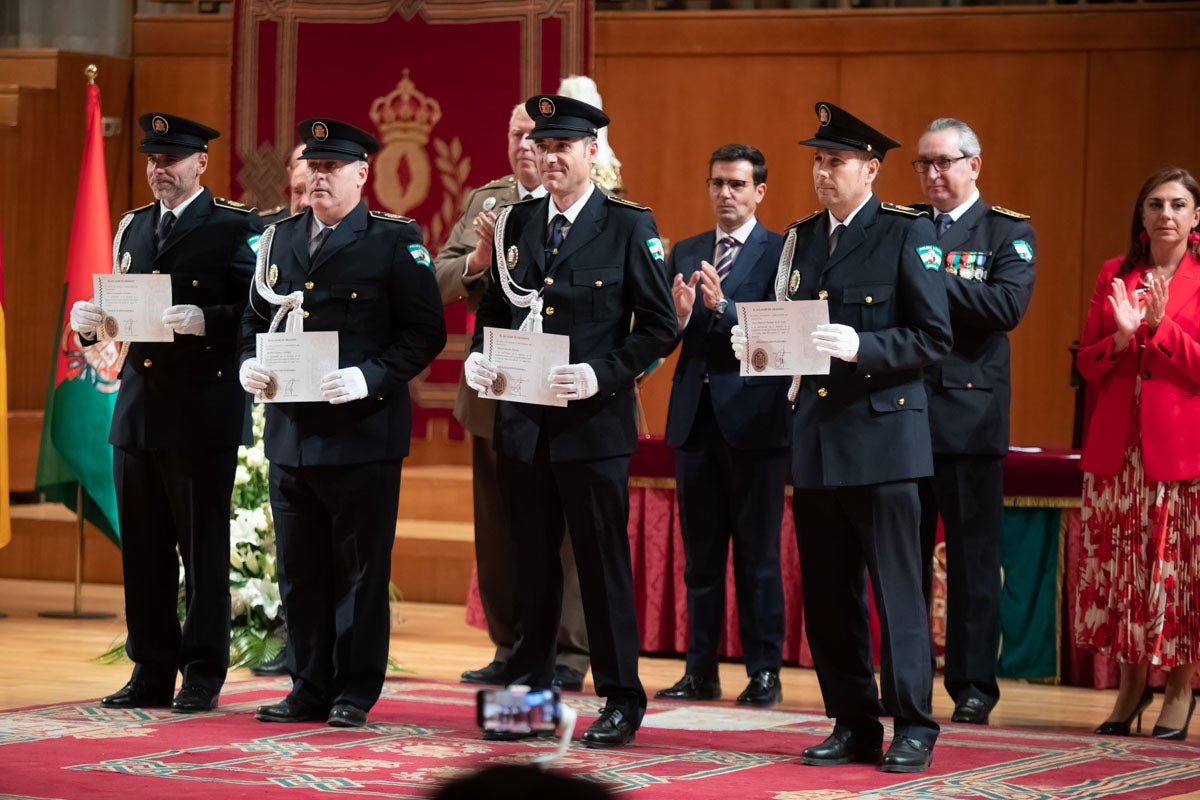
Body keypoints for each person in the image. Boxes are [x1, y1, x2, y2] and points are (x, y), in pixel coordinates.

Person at [733, 102, 951, 772]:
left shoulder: (905, 234)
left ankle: (913, 723)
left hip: (884, 440)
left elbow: (933, 338)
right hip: (819, 439)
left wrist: (864, 344)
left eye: (837, 162)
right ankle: (853, 720)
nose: (824, 173)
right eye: (819, 161)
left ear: (872, 169)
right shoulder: (800, 240)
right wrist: (760, 344)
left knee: (897, 593)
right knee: (830, 596)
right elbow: (790, 326)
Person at [463, 94, 677, 748]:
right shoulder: (517, 224)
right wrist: (479, 360)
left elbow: (660, 328)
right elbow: (499, 312)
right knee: (531, 565)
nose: (549, 157)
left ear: (592, 153)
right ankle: (529, 701)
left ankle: (620, 697)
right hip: (523, 423)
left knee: (600, 565)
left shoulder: (627, 225)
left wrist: (601, 374)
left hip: (592, 428)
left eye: (564, 147)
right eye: (542, 145)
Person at [239, 118, 446, 727]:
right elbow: (254, 320)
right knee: (300, 571)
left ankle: (354, 691)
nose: (320, 178)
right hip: (291, 435)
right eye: (314, 167)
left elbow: (425, 332)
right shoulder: (276, 240)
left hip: (362, 435)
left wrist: (371, 377)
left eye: (334, 168)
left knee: (359, 572)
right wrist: (250, 362)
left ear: (363, 173)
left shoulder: (392, 240)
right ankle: (307, 685)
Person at [69, 113, 262, 713]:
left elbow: (258, 310)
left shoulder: (236, 225)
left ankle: (203, 672)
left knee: (202, 550)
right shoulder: (132, 225)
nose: (160, 171)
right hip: (138, 408)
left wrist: (211, 322)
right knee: (145, 552)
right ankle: (150, 669)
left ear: (200, 162)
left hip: (200, 406)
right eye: (153, 160)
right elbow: (119, 310)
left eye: (171, 160)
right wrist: (89, 325)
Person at [434, 103, 590, 693]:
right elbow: (438, 274)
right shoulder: (485, 202)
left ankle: (570, 650)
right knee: (498, 527)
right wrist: (476, 260)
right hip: (497, 390)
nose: (527, 145)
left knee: (566, 528)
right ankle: (510, 644)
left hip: (563, 389)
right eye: (516, 134)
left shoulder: (588, 207)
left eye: (538, 137)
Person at [910, 118, 1037, 725]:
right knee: (901, 559)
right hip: (904, 414)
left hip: (969, 415)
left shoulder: (1006, 232)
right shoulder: (904, 227)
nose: (933, 175)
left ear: (974, 165)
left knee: (972, 563)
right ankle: (905, 681)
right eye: (924, 164)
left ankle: (972, 686)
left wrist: (931, 278)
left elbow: (1005, 306)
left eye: (944, 163)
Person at [655, 143, 789, 708]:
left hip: (756, 423)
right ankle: (699, 670)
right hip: (696, 422)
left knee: (758, 559)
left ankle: (764, 674)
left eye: (737, 184)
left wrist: (724, 310)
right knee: (701, 559)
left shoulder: (784, 252)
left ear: (759, 191)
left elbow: (783, 332)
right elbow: (664, 333)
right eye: (717, 183)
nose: (725, 194)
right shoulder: (684, 249)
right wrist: (681, 316)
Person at [1075, 166, 1200, 741]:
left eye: (1178, 204)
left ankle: (1178, 688)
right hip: (1118, 451)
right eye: (1155, 204)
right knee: (1124, 574)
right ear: (1142, 217)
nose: (1166, 214)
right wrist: (1124, 337)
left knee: (1172, 577)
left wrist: (1160, 329)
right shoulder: (1115, 274)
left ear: (1196, 217)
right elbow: (1087, 363)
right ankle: (1129, 688)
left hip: (1180, 454)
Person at [251, 141, 311, 679]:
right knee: (289, 546)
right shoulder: (268, 238)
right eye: (295, 186)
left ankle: (319, 652)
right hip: (271, 404)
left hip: (336, 407)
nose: (302, 195)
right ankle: (291, 642)